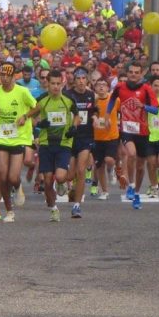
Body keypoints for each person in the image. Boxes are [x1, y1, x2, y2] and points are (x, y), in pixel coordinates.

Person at [0, 61, 39, 222]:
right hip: (1, 137)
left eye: (8, 75)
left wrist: (25, 116)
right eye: (2, 75)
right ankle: (9, 211)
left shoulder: (22, 92)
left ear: (14, 76)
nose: (5, 78)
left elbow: (37, 107)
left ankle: (18, 185)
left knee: (13, 177)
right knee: (2, 176)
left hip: (18, 137)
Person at [105, 62, 159, 208]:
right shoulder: (120, 87)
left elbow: (155, 110)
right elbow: (111, 100)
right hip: (127, 129)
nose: (133, 74)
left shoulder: (146, 89)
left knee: (141, 167)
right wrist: (107, 116)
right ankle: (130, 185)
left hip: (142, 131)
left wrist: (143, 106)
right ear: (127, 73)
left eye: (136, 72)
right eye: (131, 72)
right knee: (131, 153)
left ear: (141, 74)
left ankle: (136, 193)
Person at [34, 69, 80, 222]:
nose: (55, 87)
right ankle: (53, 208)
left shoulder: (68, 99)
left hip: (64, 142)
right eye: (52, 83)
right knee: (47, 181)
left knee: (60, 176)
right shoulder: (41, 99)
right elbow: (32, 118)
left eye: (58, 84)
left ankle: (62, 183)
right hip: (46, 142)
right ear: (47, 84)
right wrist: (40, 123)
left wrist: (74, 127)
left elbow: (77, 116)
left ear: (62, 83)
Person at [63, 66, 97, 218]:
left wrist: (95, 117)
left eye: (84, 79)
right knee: (69, 175)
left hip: (86, 137)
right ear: (74, 81)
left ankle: (77, 206)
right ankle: (72, 188)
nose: (81, 82)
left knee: (81, 170)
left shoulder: (91, 95)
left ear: (87, 80)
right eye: (78, 79)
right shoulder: (68, 95)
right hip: (71, 138)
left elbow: (94, 110)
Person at [92, 78, 123, 199]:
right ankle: (104, 191)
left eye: (104, 84)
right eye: (98, 85)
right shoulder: (93, 101)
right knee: (99, 166)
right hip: (97, 137)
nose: (101, 87)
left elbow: (122, 112)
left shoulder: (115, 100)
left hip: (112, 136)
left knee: (109, 160)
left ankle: (111, 170)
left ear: (108, 88)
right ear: (95, 88)